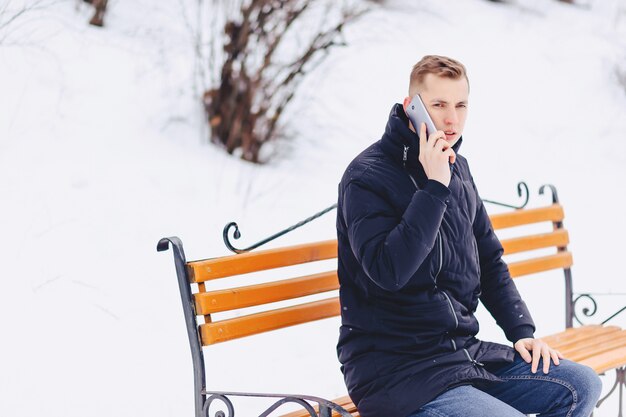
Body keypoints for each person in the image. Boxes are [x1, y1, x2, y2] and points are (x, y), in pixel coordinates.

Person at [335, 55, 602, 417]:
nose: (452, 120)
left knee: (579, 385)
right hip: (396, 371)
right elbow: (388, 272)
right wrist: (433, 189)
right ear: (411, 108)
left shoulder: (457, 171)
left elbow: (489, 260)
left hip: (461, 354)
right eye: (439, 105)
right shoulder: (367, 177)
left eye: (461, 105)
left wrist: (521, 331)